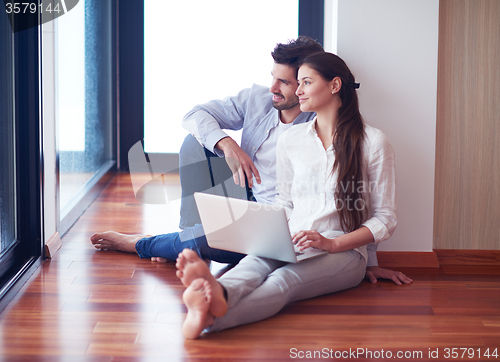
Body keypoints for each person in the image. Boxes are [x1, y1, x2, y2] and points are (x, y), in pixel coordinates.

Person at [90, 37, 411, 285]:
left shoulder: (321, 128)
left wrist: (369, 263)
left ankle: (144, 244)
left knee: (208, 241)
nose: (274, 88)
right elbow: (194, 115)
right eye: (275, 77)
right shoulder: (259, 99)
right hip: (244, 193)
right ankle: (184, 240)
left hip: (278, 219)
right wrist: (229, 144)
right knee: (196, 140)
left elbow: (356, 198)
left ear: (308, 82)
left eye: (287, 82)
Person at [176, 51, 402, 339]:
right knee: (253, 264)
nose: (298, 91)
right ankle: (216, 294)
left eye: (306, 82)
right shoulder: (292, 141)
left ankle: (211, 316)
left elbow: (385, 218)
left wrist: (333, 245)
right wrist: (258, 229)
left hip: (344, 253)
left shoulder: (374, 143)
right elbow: (286, 203)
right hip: (291, 237)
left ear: (334, 86)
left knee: (283, 280)